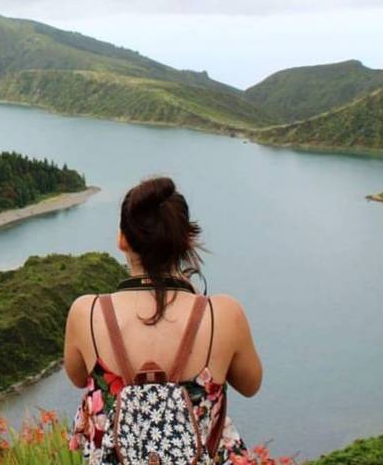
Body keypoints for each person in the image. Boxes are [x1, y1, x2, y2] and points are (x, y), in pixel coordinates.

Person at [63, 176, 262, 464]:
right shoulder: (225, 314)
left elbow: (78, 376)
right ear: (186, 239)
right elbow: (251, 384)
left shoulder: (87, 312)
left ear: (122, 239)